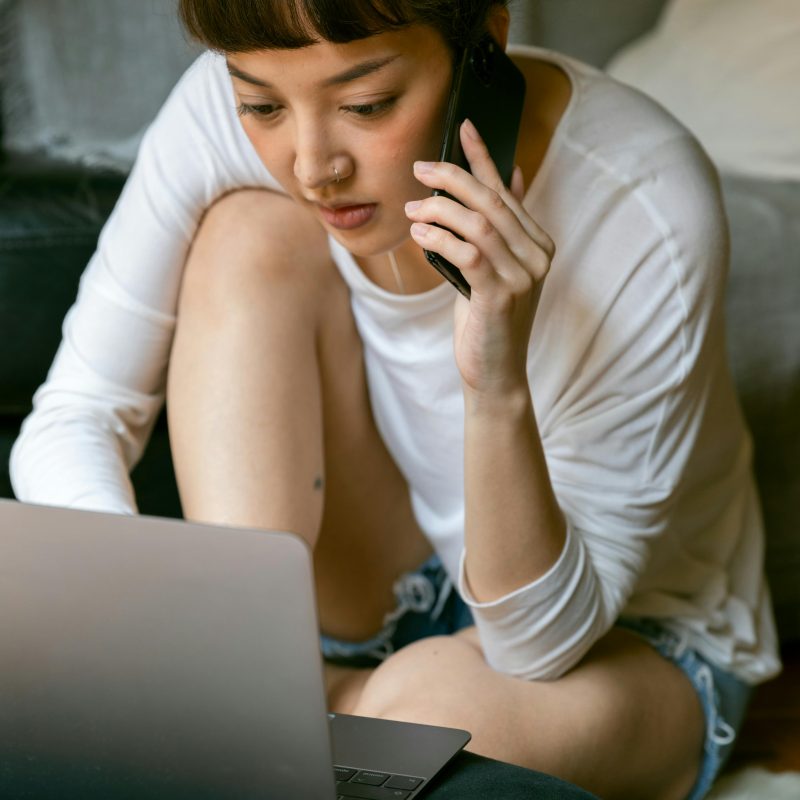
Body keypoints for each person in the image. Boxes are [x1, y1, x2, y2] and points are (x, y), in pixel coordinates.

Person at [10, 1, 781, 798]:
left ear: (486, 43)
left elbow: (540, 645)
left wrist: (497, 385)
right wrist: (137, 628)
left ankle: (279, 718)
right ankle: (250, 681)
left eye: (367, 104)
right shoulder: (228, 103)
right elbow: (74, 415)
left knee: (414, 730)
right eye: (263, 107)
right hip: (380, 584)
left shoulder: (643, 197)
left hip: (614, 638)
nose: (314, 166)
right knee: (245, 234)